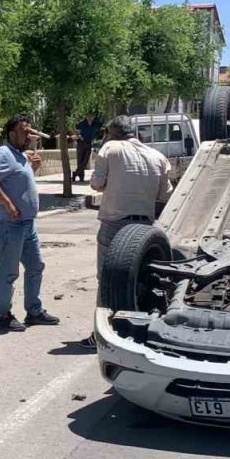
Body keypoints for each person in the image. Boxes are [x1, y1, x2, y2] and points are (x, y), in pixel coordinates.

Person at [80, 115, 173, 350]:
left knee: (107, 278)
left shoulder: (110, 148)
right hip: (144, 228)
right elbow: (164, 195)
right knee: (140, 279)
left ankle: (101, 333)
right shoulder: (158, 156)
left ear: (113, 133)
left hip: (115, 224)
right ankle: (138, 329)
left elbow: (96, 184)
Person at [0, 115, 60, 332]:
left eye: (29, 130)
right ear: (11, 134)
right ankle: (2, 316)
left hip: (27, 224)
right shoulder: (4, 153)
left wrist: (32, 168)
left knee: (35, 266)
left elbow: (18, 181)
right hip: (11, 224)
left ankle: (34, 311)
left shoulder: (20, 155)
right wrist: (7, 204)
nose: (28, 134)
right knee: (8, 272)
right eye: (24, 131)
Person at [72, 114, 101, 182]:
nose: (91, 117)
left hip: (89, 143)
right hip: (81, 143)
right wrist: (78, 135)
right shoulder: (82, 123)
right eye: (89, 116)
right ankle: (81, 177)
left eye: (92, 116)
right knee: (80, 161)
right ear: (86, 116)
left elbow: (101, 125)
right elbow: (73, 127)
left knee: (85, 161)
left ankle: (75, 173)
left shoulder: (95, 124)